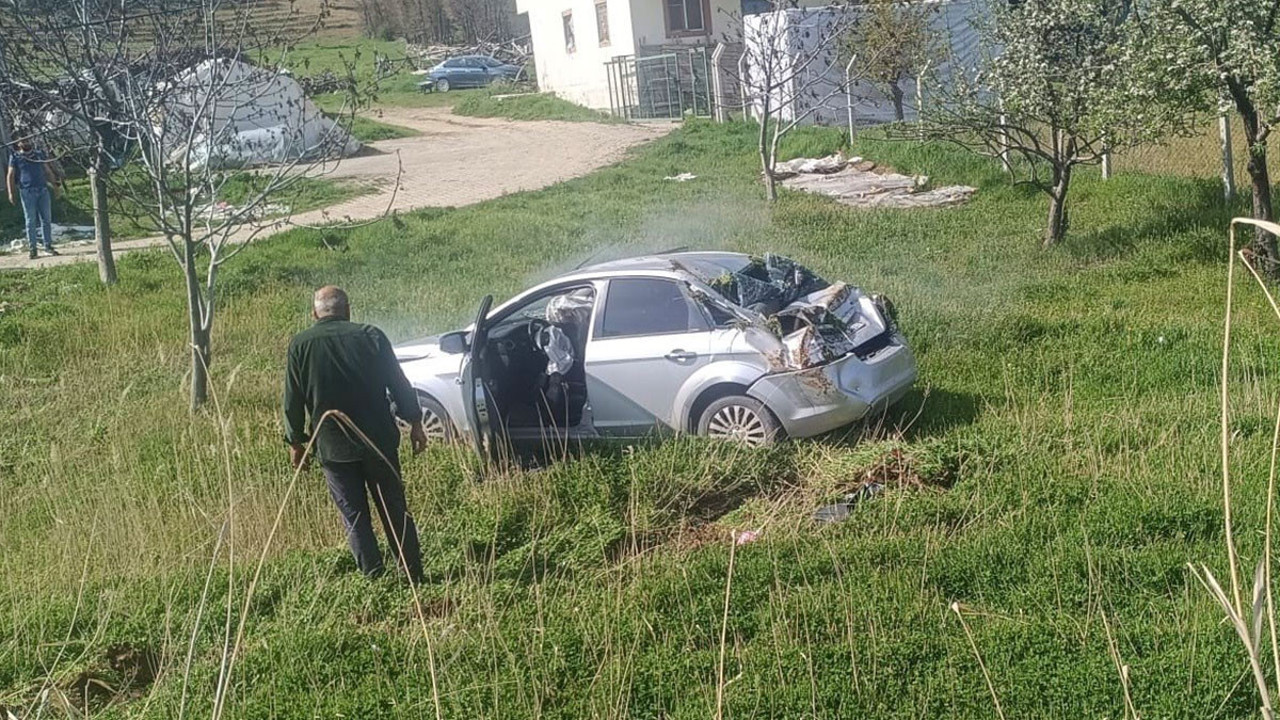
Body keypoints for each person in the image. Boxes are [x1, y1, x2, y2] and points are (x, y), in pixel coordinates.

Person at [283, 286, 429, 583]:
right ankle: (413, 575)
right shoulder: (371, 336)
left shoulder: (300, 345)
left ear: (315, 314)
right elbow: (399, 384)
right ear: (348, 310)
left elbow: (292, 400)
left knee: (354, 517)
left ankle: (373, 578)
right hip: (378, 442)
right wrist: (414, 422)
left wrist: (296, 442)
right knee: (394, 509)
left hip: (332, 448)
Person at [6, 138, 61, 260]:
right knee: (30, 221)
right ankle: (33, 249)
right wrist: (11, 192)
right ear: (18, 143)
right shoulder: (15, 157)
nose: (25, 143)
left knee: (46, 219)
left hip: (42, 190)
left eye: (27, 140)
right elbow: (10, 175)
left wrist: (55, 186)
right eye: (22, 141)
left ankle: (48, 246)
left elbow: (47, 170)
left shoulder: (38, 154)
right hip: (27, 192)